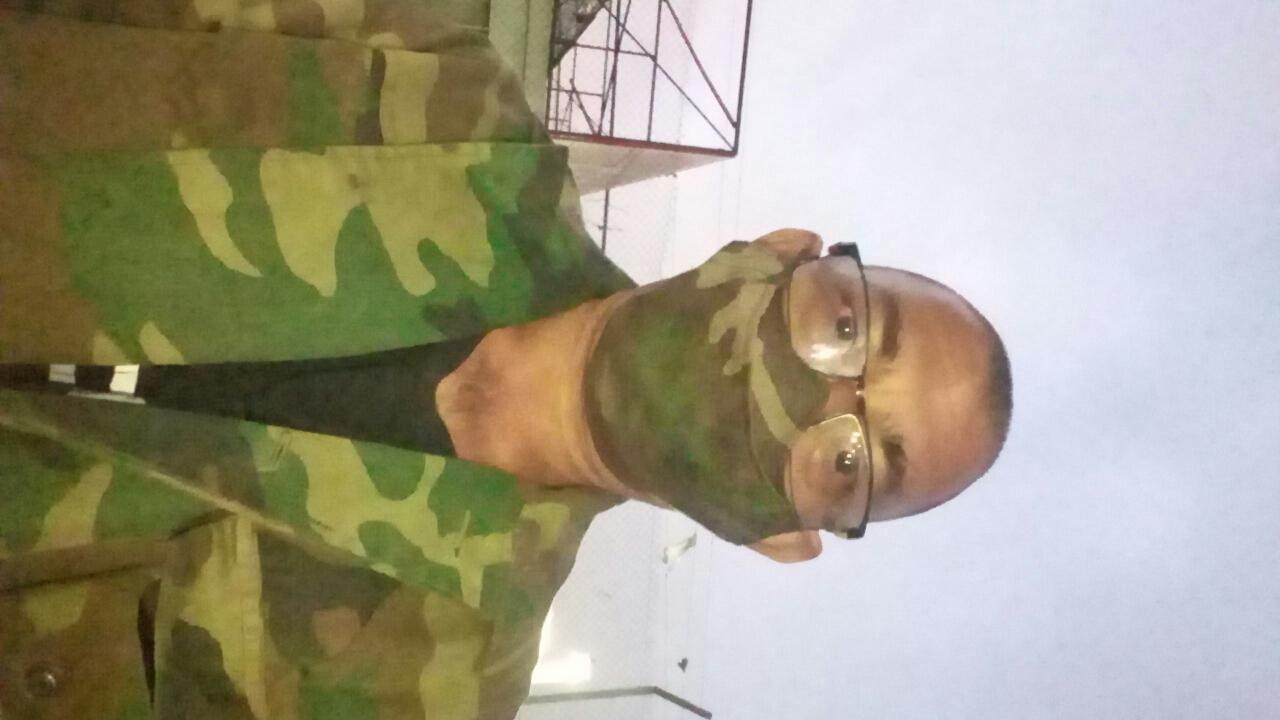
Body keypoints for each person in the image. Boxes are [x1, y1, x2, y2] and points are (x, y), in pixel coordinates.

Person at [0, 2, 1011, 719]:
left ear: (778, 539)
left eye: (853, 460)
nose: (821, 391)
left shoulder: (431, 688)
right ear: (778, 249)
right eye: (846, 326)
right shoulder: (434, 93)